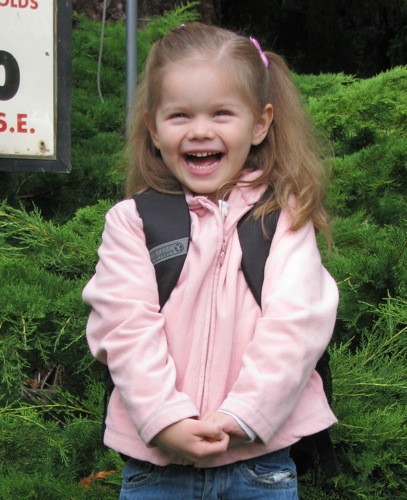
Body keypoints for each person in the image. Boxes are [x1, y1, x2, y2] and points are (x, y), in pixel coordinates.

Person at [82, 22, 339, 500]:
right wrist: (164, 419)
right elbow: (124, 327)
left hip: (259, 467)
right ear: (154, 129)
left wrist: (245, 415)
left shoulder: (284, 218)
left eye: (222, 113)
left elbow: (298, 323)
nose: (200, 130)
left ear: (259, 123)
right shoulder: (133, 222)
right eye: (179, 115)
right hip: (156, 470)